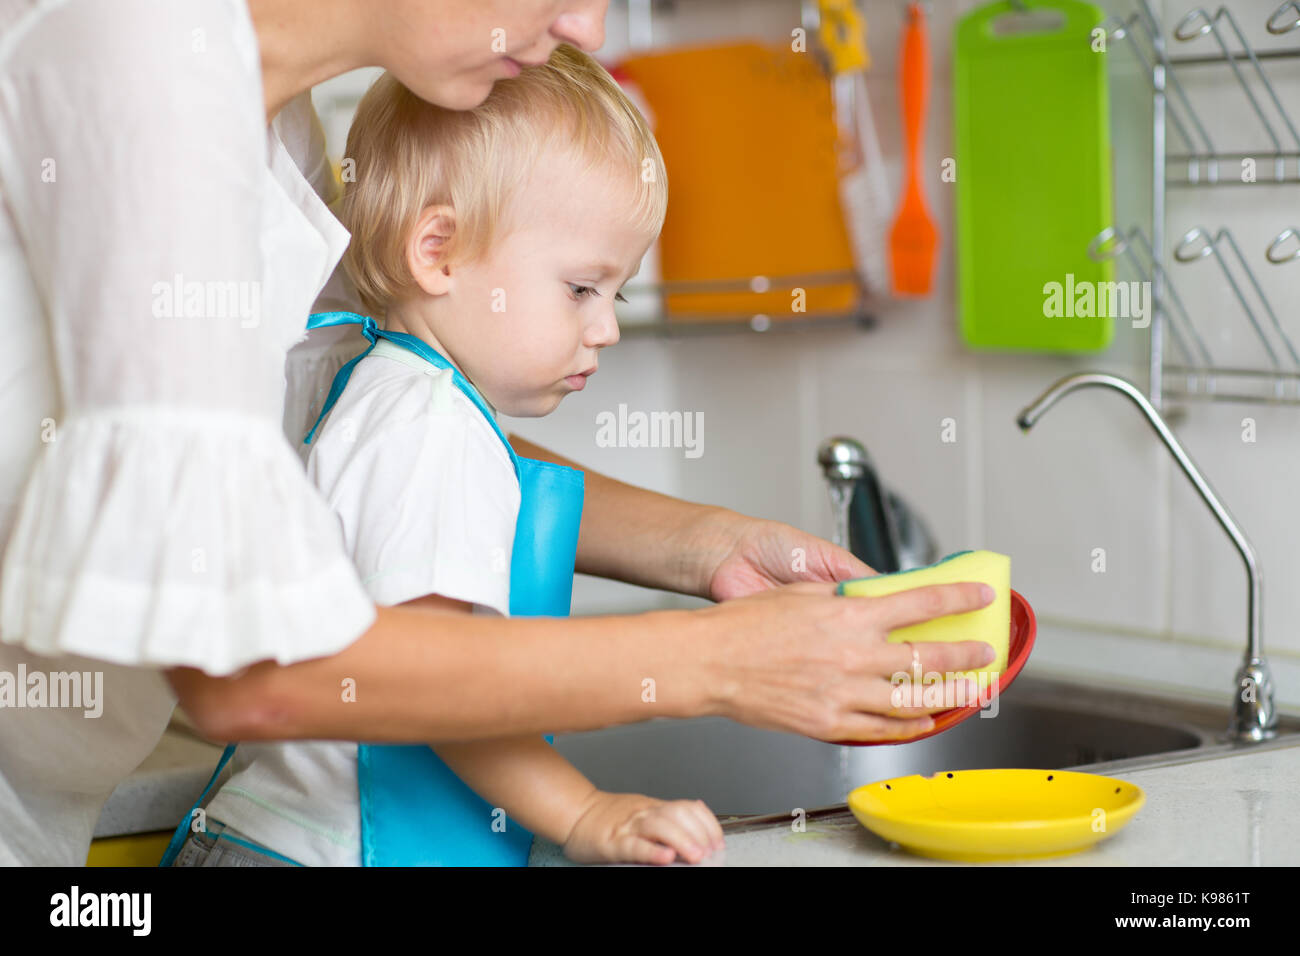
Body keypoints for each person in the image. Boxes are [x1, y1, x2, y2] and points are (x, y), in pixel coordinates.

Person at [0, 0, 995, 867]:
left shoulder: (273, 123)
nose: (588, 26)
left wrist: (710, 548)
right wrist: (710, 672)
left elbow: (330, 434)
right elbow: (249, 667)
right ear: (437, 248)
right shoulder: (135, 60)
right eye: (582, 288)